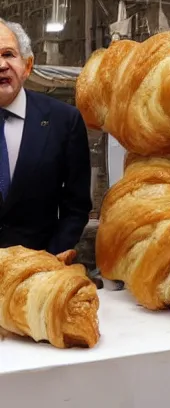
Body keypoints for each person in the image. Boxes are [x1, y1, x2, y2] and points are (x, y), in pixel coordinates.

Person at [0, 18, 92, 255]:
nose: (1, 65)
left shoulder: (64, 121)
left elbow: (76, 207)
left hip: (38, 275)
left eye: (8, 54)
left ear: (27, 65)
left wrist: (50, 261)